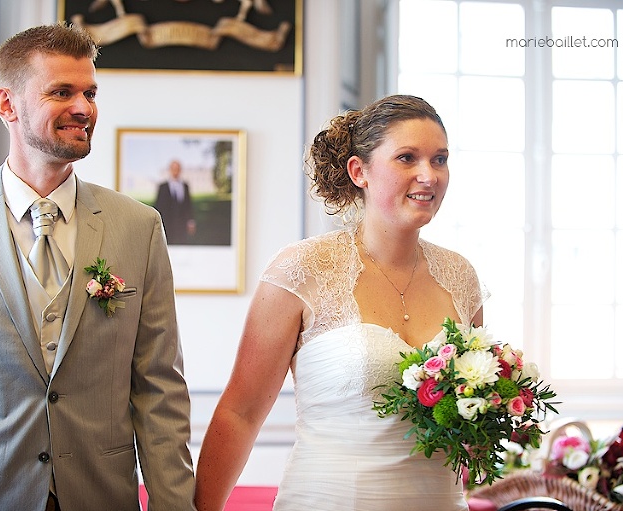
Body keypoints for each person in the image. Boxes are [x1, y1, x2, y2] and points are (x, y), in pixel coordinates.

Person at [0, 23, 196, 511]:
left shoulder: (138, 226)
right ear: (7, 104)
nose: (84, 108)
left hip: (100, 495)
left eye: (90, 92)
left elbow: (159, 387)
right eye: (62, 92)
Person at [194, 95, 488, 511]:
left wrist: (483, 423)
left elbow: (462, 423)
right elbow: (239, 414)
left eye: (439, 159)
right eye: (407, 158)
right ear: (359, 171)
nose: (428, 175)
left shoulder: (461, 277)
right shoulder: (302, 269)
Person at [154, 159, 196, 245]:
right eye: (173, 169)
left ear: (180, 170)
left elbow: (188, 205)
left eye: (177, 169)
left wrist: (191, 221)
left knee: (182, 246)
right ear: (170, 170)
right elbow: (158, 206)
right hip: (167, 224)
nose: (175, 171)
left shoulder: (185, 186)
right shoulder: (163, 187)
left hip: (182, 224)